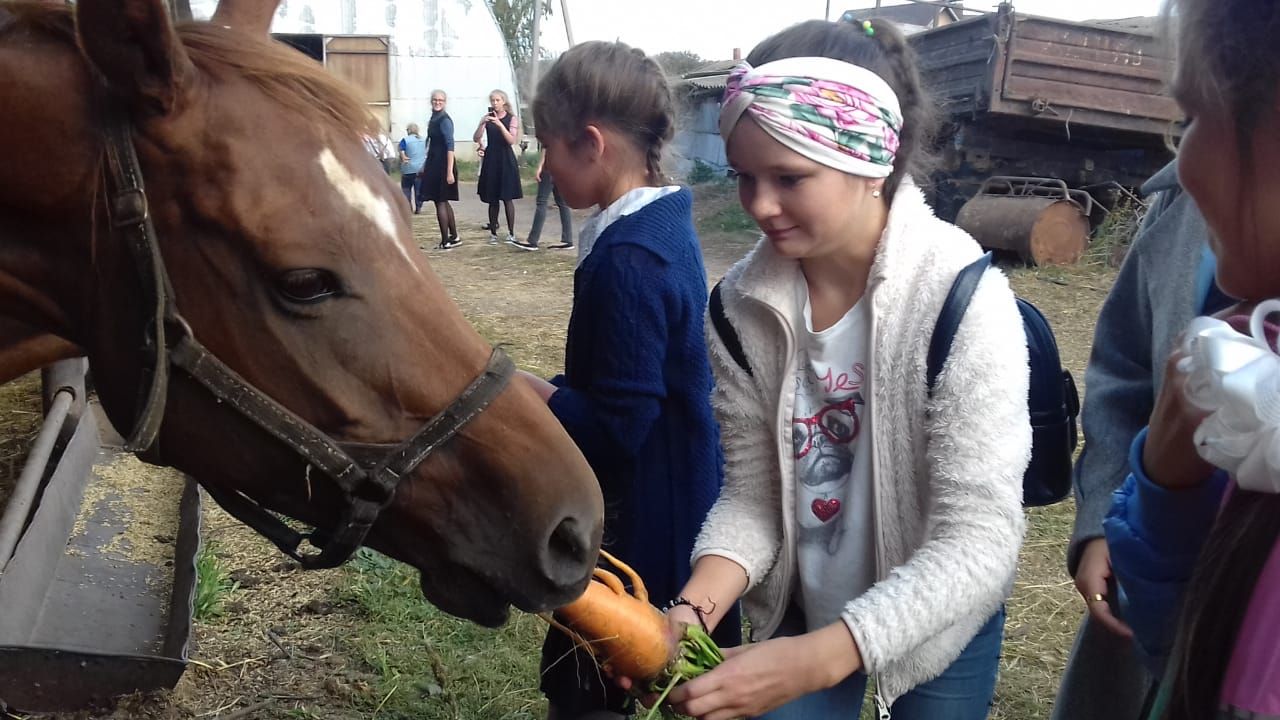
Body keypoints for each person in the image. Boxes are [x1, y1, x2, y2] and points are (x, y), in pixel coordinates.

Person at [634, 19, 1032, 720]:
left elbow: (980, 539)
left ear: (873, 158)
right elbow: (754, 498)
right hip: (803, 609)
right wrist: (694, 609)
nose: (758, 205)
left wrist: (822, 657)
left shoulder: (963, 299)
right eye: (745, 177)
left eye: (789, 177)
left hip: (938, 623)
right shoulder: (738, 309)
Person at [518, 40, 740, 720]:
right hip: (679, 501)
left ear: (590, 142)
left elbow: (618, 428)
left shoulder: (631, 259)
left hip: (646, 533)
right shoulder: (662, 221)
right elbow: (630, 381)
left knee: (602, 695)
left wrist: (540, 395)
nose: (544, 167)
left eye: (548, 148)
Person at [1102, 1, 1280, 718]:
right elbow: (1182, 650)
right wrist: (1165, 489)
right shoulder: (1256, 346)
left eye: (1197, 115)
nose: (1183, 158)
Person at [1051, 163, 1229, 720]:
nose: (1180, 153)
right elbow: (1125, 370)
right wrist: (1104, 518)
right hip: (1146, 572)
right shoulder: (1185, 193)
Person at [473, 88, 523, 245]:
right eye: (492, 101)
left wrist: (500, 124)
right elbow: (476, 138)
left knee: (507, 198)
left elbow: (511, 140)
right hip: (491, 159)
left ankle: (511, 233)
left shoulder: (511, 118)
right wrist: (482, 123)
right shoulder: (488, 118)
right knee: (492, 198)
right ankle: (493, 233)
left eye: (497, 100)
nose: (495, 103)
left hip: (505, 159)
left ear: (504, 101)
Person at [511, 147, 573, 251]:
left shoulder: (551, 130)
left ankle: (532, 240)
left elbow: (547, 146)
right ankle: (567, 239)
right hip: (563, 164)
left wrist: (540, 166)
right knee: (562, 203)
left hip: (550, 164)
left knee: (542, 201)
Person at [420, 90, 460, 249]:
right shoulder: (433, 118)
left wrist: (449, 171)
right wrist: (425, 164)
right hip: (434, 162)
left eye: (441, 100)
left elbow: (450, 146)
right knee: (442, 200)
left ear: (445, 102)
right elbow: (430, 144)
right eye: (435, 100)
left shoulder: (445, 120)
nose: (437, 102)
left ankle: (445, 241)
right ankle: (454, 236)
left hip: (443, 164)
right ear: (431, 101)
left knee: (440, 202)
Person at [398, 123, 427, 213]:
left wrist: (403, 156)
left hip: (408, 169)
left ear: (408, 131)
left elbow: (401, 150)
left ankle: (408, 207)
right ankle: (418, 207)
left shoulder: (405, 140)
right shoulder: (424, 140)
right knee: (419, 190)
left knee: (406, 189)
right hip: (420, 169)